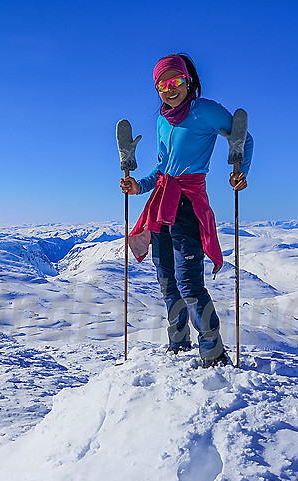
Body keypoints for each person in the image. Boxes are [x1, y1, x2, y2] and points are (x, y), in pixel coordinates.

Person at [121, 53, 253, 367]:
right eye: (163, 84)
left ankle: (213, 352)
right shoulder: (161, 120)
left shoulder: (204, 110)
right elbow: (162, 167)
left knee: (190, 283)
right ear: (157, 89)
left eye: (176, 81)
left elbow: (242, 137)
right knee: (167, 281)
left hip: (189, 204)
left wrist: (240, 171)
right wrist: (138, 186)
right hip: (161, 204)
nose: (170, 89)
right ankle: (177, 345)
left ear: (187, 80)